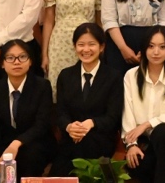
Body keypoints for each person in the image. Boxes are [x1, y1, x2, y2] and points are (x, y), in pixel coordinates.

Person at [122, 26, 165, 183]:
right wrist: (131, 145)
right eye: (151, 46)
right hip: (145, 141)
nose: (156, 52)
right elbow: (128, 113)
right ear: (144, 48)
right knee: (141, 165)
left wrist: (147, 124)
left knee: (162, 132)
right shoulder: (131, 75)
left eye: (162, 47)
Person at [52, 23, 124, 175]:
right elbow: (60, 112)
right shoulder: (65, 75)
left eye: (91, 44)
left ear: (102, 47)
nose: (86, 50)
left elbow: (113, 116)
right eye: (81, 45)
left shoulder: (114, 77)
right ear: (74, 46)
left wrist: (91, 123)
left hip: (100, 139)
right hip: (71, 139)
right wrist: (69, 127)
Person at [0, 39, 54, 178]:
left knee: (29, 158)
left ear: (30, 61)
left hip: (34, 142)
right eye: (10, 58)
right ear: (2, 63)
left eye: (22, 57)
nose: (16, 62)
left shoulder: (42, 86)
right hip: (5, 144)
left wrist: (16, 143)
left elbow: (42, 125)